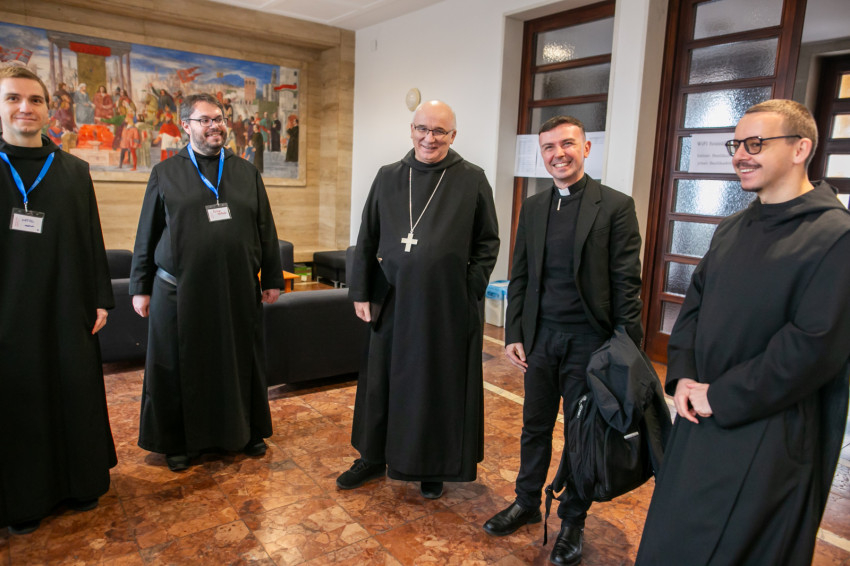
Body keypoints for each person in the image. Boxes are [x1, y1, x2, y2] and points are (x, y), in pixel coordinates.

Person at [636, 99, 850, 565]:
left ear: (800, 149)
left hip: (768, 431)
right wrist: (683, 377)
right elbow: (694, 306)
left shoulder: (836, 236)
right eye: (736, 145)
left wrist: (722, 395)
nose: (739, 155)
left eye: (755, 144)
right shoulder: (732, 227)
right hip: (699, 414)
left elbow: (813, 345)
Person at [482, 115, 643, 566]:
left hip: (589, 342)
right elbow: (520, 275)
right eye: (549, 147)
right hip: (541, 340)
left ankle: (573, 519)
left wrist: (625, 351)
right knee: (533, 426)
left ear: (586, 148)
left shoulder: (615, 206)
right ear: (542, 154)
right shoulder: (534, 208)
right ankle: (526, 502)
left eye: (568, 144)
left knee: (579, 435)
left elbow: (627, 284)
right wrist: (515, 333)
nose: (559, 154)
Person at [339, 100, 499, 500]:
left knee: (434, 385)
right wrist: (361, 291)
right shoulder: (389, 176)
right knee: (381, 382)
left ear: (453, 135)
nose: (430, 138)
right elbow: (367, 235)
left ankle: (432, 464)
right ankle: (372, 456)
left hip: (445, 306)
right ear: (411, 130)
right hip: (391, 299)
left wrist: (467, 288)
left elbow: (487, 242)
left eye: (439, 131)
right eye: (422, 129)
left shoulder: (472, 179)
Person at [129, 93, 284, 472]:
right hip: (177, 291)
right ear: (186, 125)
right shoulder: (165, 173)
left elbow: (265, 228)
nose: (215, 126)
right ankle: (177, 442)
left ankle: (246, 431)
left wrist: (272, 276)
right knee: (176, 366)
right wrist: (140, 286)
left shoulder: (246, 172)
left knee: (239, 360)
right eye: (205, 120)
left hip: (235, 289)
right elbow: (147, 233)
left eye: (219, 119)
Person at [0, 65, 116, 535]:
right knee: (20, 398)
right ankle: (24, 499)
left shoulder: (73, 171)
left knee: (75, 389)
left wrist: (101, 298)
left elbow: (91, 236)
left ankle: (80, 482)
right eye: (13, 98)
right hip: (8, 311)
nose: (25, 108)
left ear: (50, 109)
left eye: (35, 99)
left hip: (67, 305)